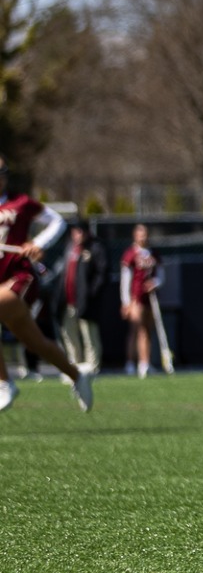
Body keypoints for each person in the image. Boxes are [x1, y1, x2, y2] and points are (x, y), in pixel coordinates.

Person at [0, 156, 90, 412]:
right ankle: (77, 375)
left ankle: (4, 383)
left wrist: (38, 244)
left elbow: (57, 222)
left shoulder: (21, 204)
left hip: (19, 278)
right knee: (35, 343)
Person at [49, 224, 111, 373]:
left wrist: (90, 294)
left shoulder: (95, 248)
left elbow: (102, 274)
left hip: (86, 303)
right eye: (75, 232)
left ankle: (92, 369)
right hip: (67, 302)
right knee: (69, 335)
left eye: (80, 231)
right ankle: (73, 369)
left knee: (89, 336)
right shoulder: (70, 248)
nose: (78, 235)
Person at [120, 223, 163, 378]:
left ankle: (145, 363)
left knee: (147, 331)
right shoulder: (131, 254)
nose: (143, 237)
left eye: (145, 233)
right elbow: (126, 279)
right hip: (135, 298)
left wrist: (155, 283)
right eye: (140, 234)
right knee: (135, 331)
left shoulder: (153, 254)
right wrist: (126, 302)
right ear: (135, 236)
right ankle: (130, 363)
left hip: (150, 299)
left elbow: (160, 275)